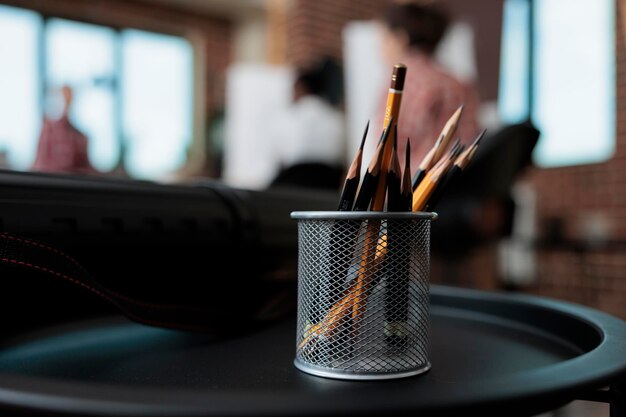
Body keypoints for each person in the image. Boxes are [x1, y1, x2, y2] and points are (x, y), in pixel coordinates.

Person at [376, 1, 480, 176]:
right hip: (457, 187)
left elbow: (389, 146)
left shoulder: (403, 81)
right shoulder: (459, 83)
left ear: (400, 39)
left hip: (412, 191)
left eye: (383, 38)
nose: (379, 48)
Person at [269, 63, 346, 189]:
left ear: (301, 88)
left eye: (293, 90)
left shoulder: (288, 118)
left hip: (294, 185)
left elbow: (279, 158)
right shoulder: (337, 118)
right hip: (329, 186)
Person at [32, 86, 96, 175]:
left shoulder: (80, 137)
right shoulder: (48, 131)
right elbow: (40, 166)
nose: (67, 104)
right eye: (64, 99)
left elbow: (88, 169)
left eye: (69, 99)